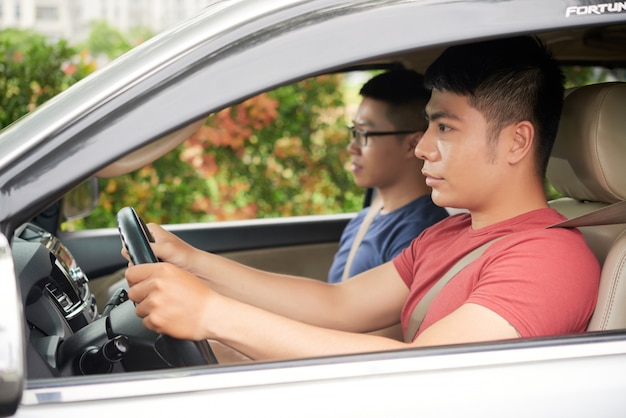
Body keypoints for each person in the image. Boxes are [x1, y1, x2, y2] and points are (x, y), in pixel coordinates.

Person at [124, 36, 600, 360]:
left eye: (445, 127)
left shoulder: (548, 258)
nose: (422, 146)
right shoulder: (453, 234)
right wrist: (191, 261)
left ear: (517, 141)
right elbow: (338, 303)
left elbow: (426, 373)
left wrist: (212, 314)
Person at [327, 69, 448, 283]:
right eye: (353, 132)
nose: (352, 147)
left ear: (413, 144)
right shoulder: (364, 219)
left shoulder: (421, 235)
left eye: (364, 134)